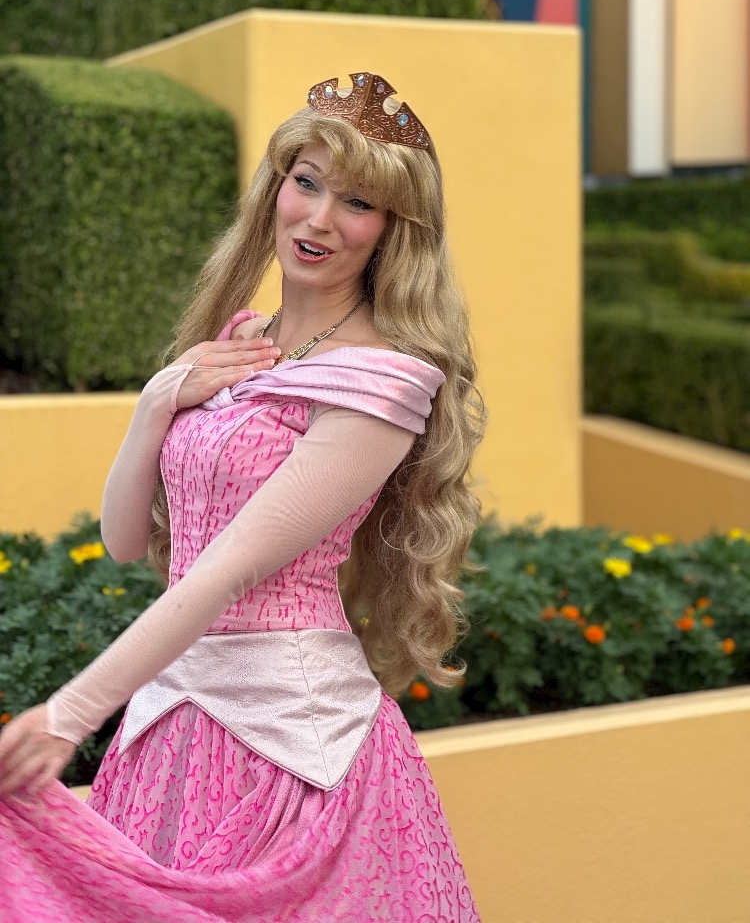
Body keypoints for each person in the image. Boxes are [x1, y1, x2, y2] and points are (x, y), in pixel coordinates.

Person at [0, 72, 485, 921]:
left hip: (294, 746)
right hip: (170, 728)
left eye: (358, 202)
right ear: (277, 186)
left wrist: (69, 714)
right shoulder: (238, 345)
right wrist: (157, 401)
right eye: (307, 182)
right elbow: (125, 540)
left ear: (391, 230)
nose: (320, 219)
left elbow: (224, 572)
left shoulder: (382, 383)